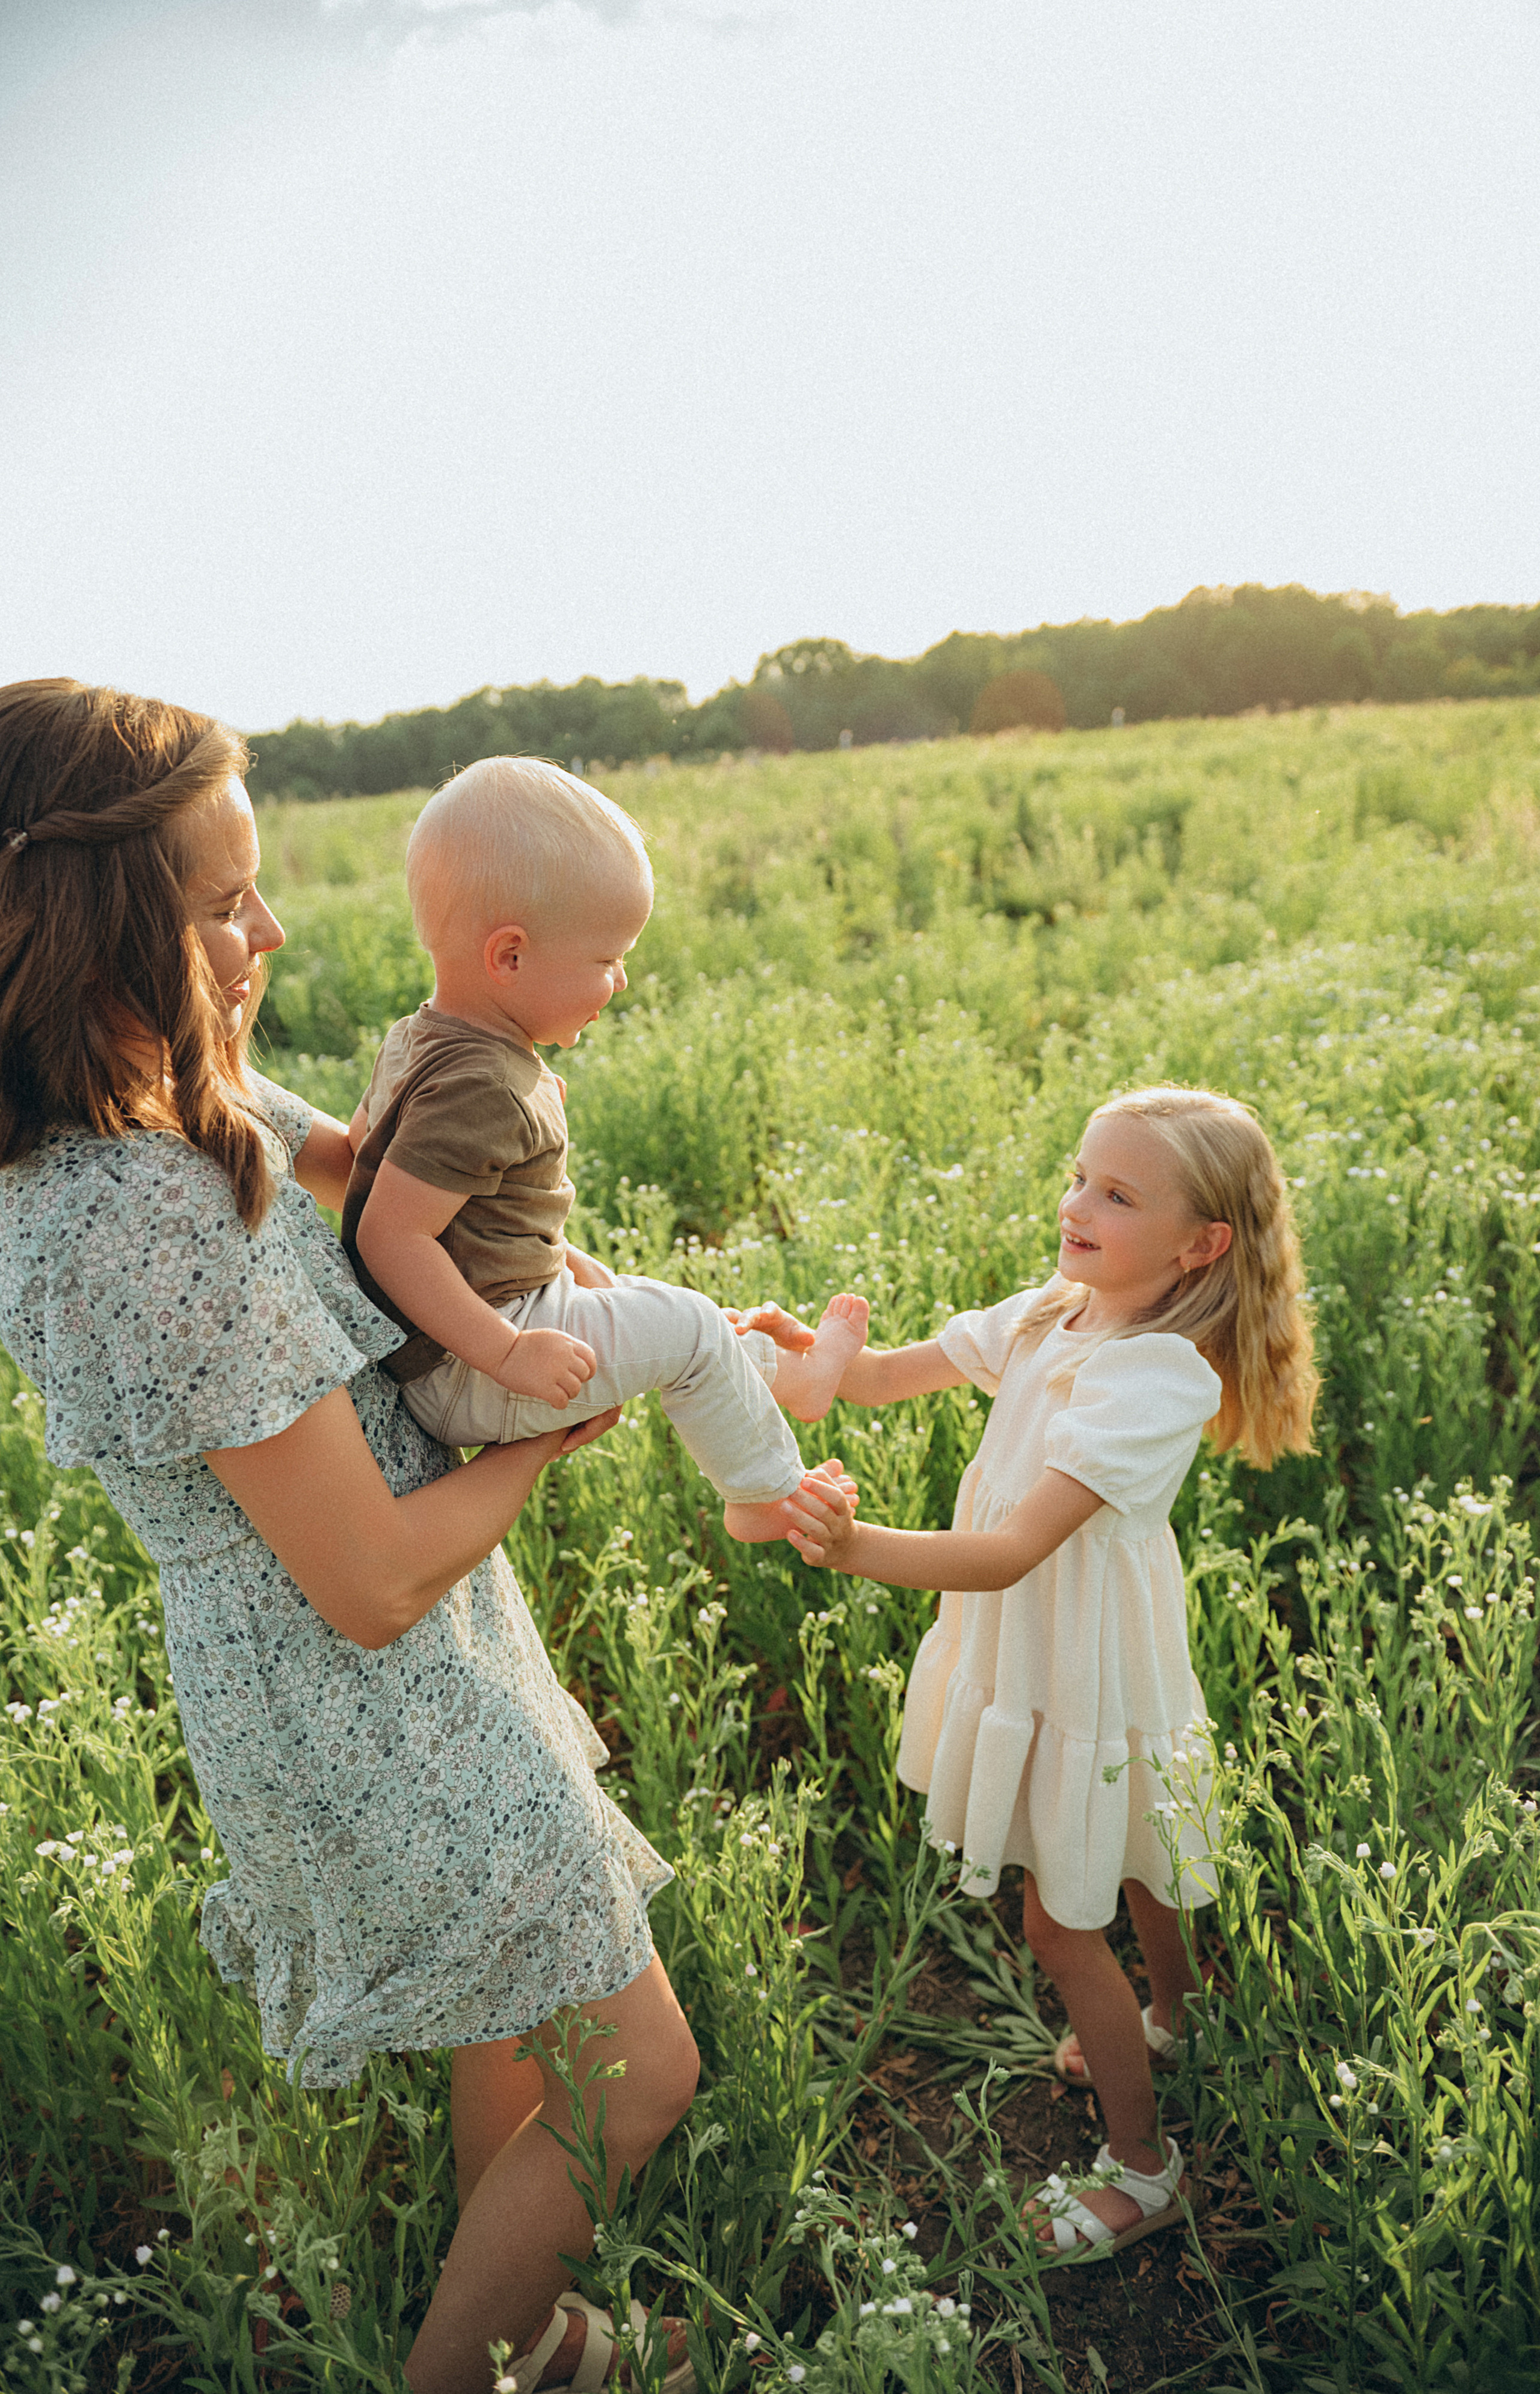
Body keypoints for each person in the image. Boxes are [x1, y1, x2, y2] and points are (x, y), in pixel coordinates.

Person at [0, 680, 843, 2393]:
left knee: (515, 2024)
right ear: (92, 923)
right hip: (365, 1690)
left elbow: (369, 1172)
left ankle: (537, 2338)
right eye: (225, 899)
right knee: (638, 2066)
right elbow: (370, 1577)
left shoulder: (176, 1096)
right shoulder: (139, 1214)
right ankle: (463, 2376)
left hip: (398, 1655)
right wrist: (568, 1427)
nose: (272, 929)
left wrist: (604, 1307)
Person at [786, 1086, 1318, 2259]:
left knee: (1060, 1917)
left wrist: (851, 1548)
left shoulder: (1152, 1376)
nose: (1076, 1202)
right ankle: (1174, 2014)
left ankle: (1143, 2166)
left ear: (1200, 1244)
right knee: (1136, 1845)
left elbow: (1014, 1547)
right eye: (1079, 1174)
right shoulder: (1050, 1315)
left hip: (1078, 1664)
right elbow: (880, 1376)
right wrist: (810, 1358)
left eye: (1116, 1193)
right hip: (1054, 1647)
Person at [341, 754, 869, 1537]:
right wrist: (509, 1352)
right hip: (466, 1365)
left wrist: (559, 1259)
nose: (620, 983)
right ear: (511, 957)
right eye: (607, 961)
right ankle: (767, 1495)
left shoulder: (425, 1042)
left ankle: (785, 1382)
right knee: (684, 1325)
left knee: (652, 1309)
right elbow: (389, 1232)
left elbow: (368, 1155)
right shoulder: (481, 1086)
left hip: (479, 1333)